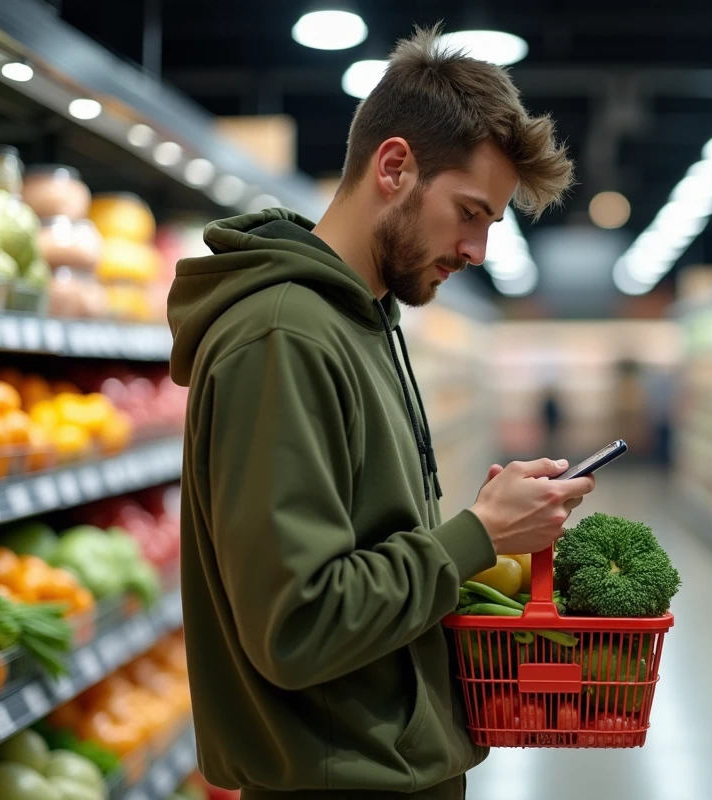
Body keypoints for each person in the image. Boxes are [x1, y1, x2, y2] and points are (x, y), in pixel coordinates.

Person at [166, 25, 592, 800]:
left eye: (491, 223)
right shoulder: (283, 337)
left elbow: (368, 548)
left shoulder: (364, 321)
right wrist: (478, 535)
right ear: (394, 167)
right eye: (470, 212)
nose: (478, 251)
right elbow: (297, 625)